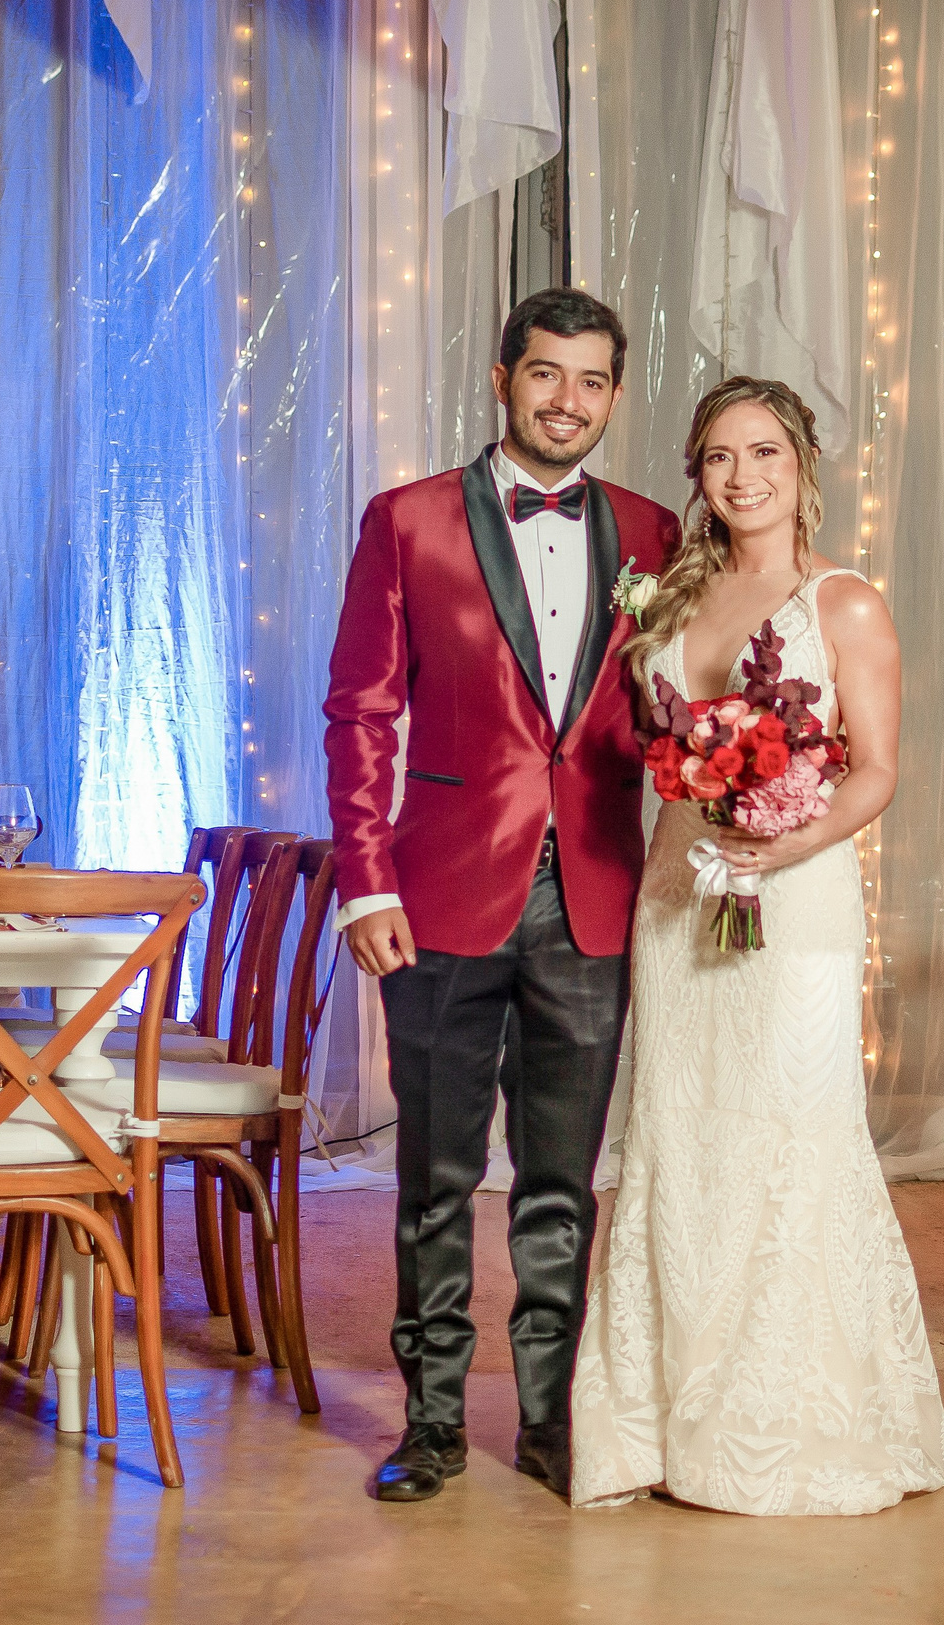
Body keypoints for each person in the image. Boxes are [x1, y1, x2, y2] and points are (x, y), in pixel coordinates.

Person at [567, 375, 944, 1516]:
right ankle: (658, 1416)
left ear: (801, 466)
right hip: (679, 896)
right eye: (719, 459)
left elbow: (876, 768)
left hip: (792, 904)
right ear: (697, 475)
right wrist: (709, 816)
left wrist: (781, 848)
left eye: (763, 454)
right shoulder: (670, 593)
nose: (742, 477)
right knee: (679, 1137)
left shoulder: (843, 603)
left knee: (789, 1133)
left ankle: (784, 1421)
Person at [323, 288, 681, 1502]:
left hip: (592, 897)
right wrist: (363, 881)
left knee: (562, 1179)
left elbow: (664, 710)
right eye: (544, 375)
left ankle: (549, 1421)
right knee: (433, 1175)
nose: (565, 400)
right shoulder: (407, 521)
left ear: (613, 396)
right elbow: (361, 712)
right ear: (501, 377)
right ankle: (427, 1423)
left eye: (589, 381)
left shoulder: (652, 532)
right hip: (434, 899)